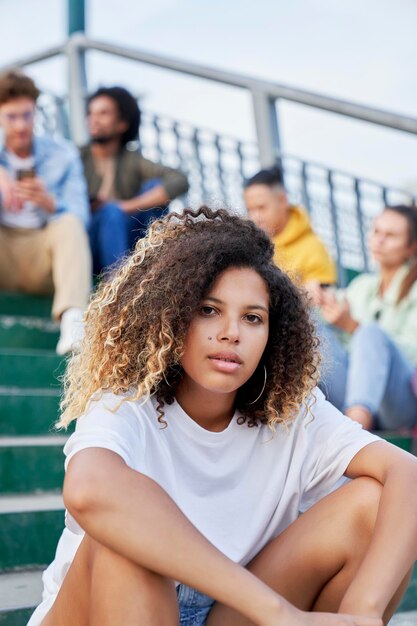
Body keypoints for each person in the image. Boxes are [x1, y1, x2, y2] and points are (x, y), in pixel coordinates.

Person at [29, 207, 417, 626]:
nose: (231, 332)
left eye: (253, 318)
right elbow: (89, 489)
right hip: (106, 605)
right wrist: (280, 614)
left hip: (229, 613)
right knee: (127, 540)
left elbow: (407, 474)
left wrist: (364, 611)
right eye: (209, 310)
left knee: (374, 505)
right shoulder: (126, 403)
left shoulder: (293, 413)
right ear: (172, 316)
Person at [0, 70, 91, 355]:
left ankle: (73, 321)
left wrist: (50, 203)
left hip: (43, 255)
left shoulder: (62, 154)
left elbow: (81, 214)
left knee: (69, 223)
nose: (20, 125)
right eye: (11, 117)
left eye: (26, 115)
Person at [313, 205, 417, 431]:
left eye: (390, 236)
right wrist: (315, 296)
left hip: (398, 405)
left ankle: (354, 432)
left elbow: (411, 354)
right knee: (310, 322)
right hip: (351, 395)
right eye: (377, 232)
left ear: (411, 247)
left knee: (370, 333)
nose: (379, 240)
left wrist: (354, 327)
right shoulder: (363, 286)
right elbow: (329, 308)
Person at [80, 86, 189, 274]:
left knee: (154, 186)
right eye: (91, 113)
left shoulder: (132, 159)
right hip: (89, 243)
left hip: (126, 240)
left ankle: (155, 270)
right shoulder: (77, 157)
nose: (93, 120)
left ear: (122, 123)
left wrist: (125, 206)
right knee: (111, 212)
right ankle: (117, 286)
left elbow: (179, 180)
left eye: (103, 113)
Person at [244, 165, 337, 288]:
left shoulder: (313, 249)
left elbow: (320, 302)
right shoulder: (248, 247)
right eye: (250, 209)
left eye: (261, 208)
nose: (255, 217)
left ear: (282, 200)